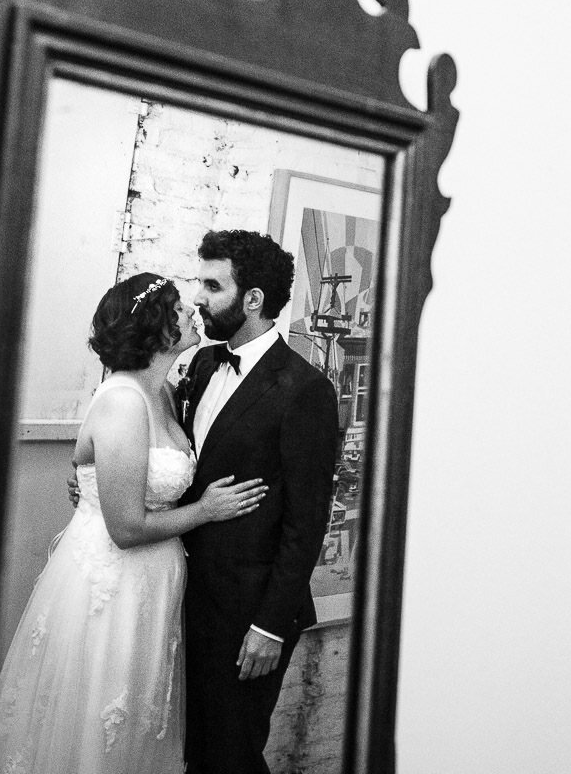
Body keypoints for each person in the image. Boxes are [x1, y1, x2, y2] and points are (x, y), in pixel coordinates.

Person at [0, 273, 268, 774]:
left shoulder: (160, 392)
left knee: (138, 720)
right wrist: (206, 511)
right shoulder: (122, 401)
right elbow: (125, 527)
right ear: (158, 330)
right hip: (113, 584)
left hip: (154, 581)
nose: (191, 313)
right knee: (98, 718)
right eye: (179, 309)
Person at [177, 230, 340, 774]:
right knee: (196, 750)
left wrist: (270, 625)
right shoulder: (200, 366)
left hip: (252, 612)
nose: (198, 297)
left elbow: (307, 520)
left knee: (231, 754)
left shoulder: (304, 389)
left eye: (211, 285)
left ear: (253, 299)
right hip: (189, 596)